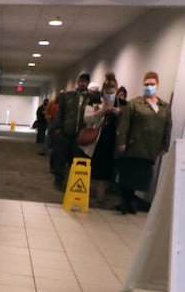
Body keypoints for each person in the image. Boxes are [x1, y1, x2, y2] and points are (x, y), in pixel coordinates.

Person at [115, 71, 172, 214]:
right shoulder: (135, 103)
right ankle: (125, 201)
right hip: (134, 145)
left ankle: (131, 200)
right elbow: (124, 124)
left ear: (157, 85)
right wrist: (122, 142)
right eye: (146, 84)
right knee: (129, 174)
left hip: (151, 148)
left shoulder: (164, 107)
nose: (149, 87)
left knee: (141, 176)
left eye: (152, 84)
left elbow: (167, 126)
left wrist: (165, 145)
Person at [50, 73, 98, 191]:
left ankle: (73, 181)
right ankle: (58, 180)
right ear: (78, 82)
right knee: (61, 157)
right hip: (66, 132)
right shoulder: (67, 96)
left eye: (85, 82)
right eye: (81, 81)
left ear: (88, 83)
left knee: (77, 160)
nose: (83, 83)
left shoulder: (92, 99)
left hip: (81, 134)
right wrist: (57, 128)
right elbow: (60, 113)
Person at [78, 73, 120, 206]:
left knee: (106, 170)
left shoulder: (121, 104)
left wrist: (119, 112)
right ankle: (88, 192)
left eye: (112, 93)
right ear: (103, 91)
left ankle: (101, 196)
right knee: (93, 167)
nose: (109, 96)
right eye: (107, 93)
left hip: (112, 141)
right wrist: (102, 111)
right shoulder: (94, 101)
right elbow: (86, 118)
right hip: (95, 140)